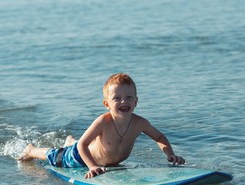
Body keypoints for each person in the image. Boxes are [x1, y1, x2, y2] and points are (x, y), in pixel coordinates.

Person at [19, 73, 185, 178]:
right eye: (117, 98)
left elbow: (159, 137)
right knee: (57, 157)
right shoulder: (103, 122)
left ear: (136, 101)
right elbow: (83, 146)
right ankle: (32, 150)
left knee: (81, 144)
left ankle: (70, 141)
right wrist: (92, 166)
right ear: (107, 104)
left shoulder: (140, 123)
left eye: (128, 97)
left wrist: (170, 154)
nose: (123, 101)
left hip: (101, 158)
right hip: (81, 158)